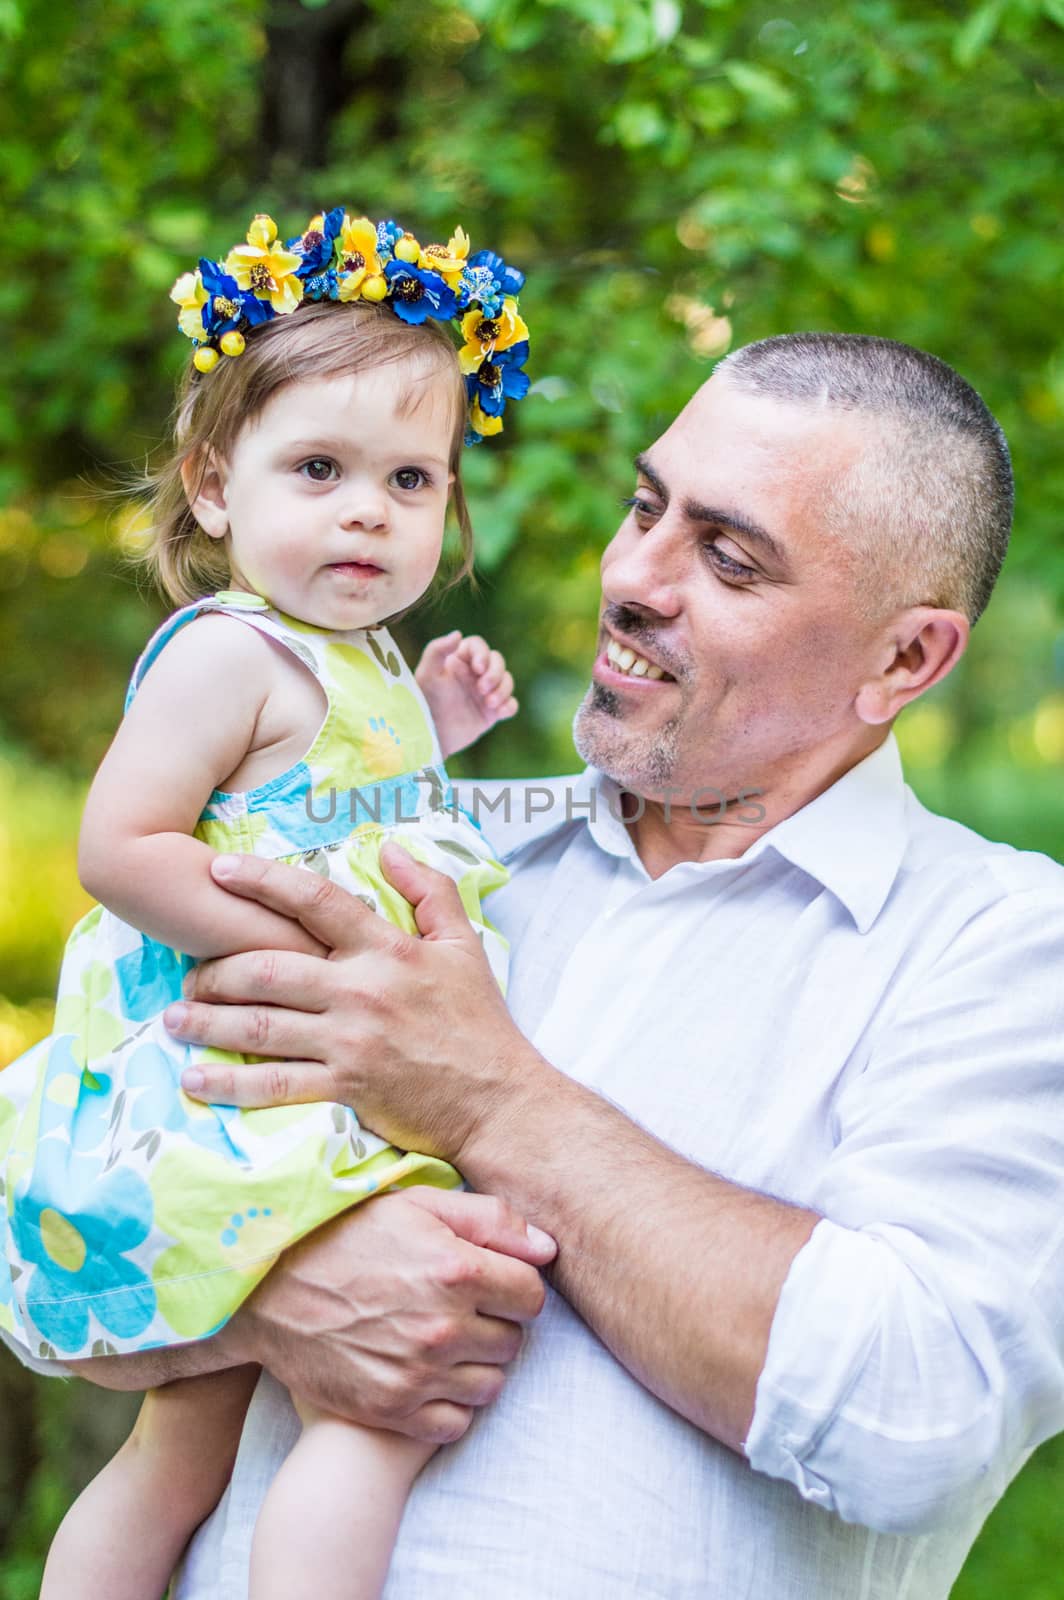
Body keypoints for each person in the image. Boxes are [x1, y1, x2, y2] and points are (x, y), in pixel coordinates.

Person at [13, 332, 1064, 1599]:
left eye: (726, 557)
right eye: (643, 507)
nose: (630, 576)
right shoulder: (421, 849)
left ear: (905, 659)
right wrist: (253, 1296)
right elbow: (51, 1230)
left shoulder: (997, 943)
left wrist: (488, 1098)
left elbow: (921, 1421)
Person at [0, 207, 553, 1600]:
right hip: (256, 1083)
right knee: (340, 1426)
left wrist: (425, 723)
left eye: (411, 480)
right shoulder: (223, 655)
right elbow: (125, 848)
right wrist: (307, 955)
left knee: (206, 1445)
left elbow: (335, 800)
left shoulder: (353, 656)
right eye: (320, 467)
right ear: (213, 486)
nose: (369, 508)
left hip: (331, 1078)